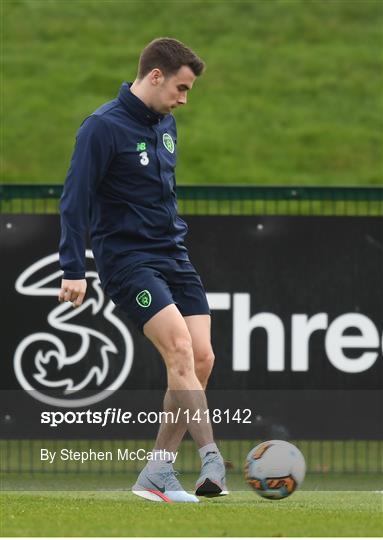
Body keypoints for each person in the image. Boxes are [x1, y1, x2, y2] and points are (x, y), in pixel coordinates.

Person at [58, 37, 227, 503]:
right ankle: (211, 455)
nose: (183, 99)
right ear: (155, 75)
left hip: (174, 256)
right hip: (128, 262)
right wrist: (73, 267)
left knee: (201, 358)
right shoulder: (101, 127)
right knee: (177, 348)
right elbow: (75, 200)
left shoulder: (167, 124)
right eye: (181, 87)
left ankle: (156, 473)